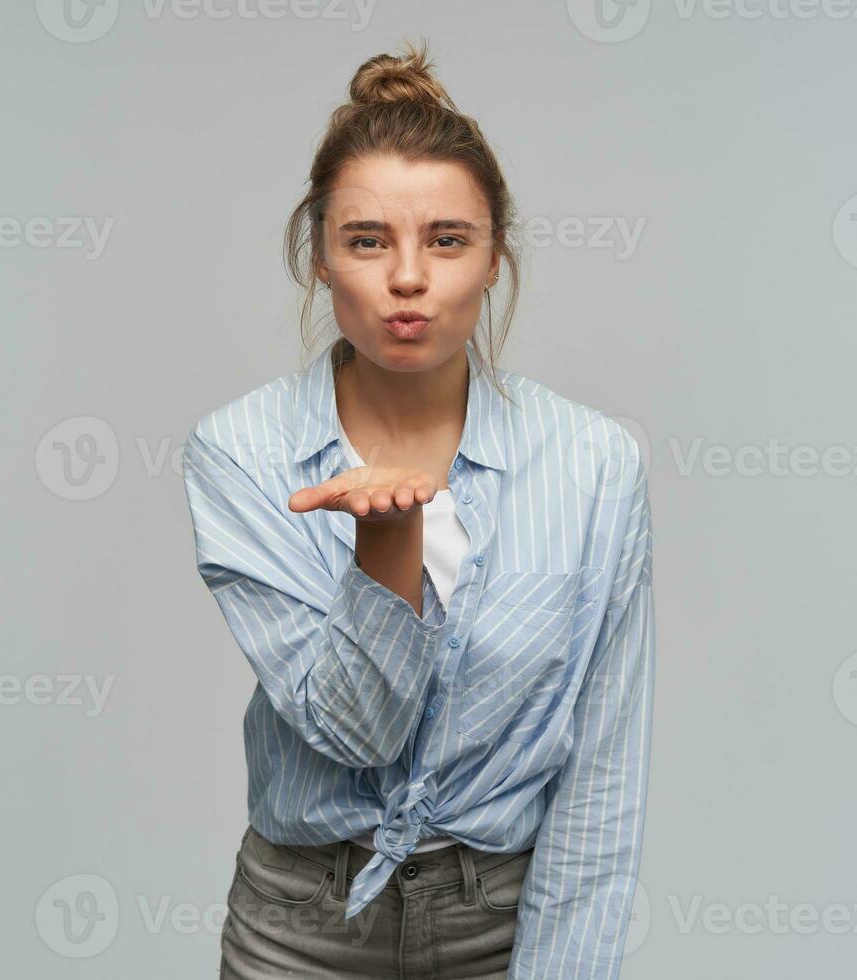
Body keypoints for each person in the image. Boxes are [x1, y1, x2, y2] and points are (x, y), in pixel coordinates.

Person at [182, 38, 655, 980]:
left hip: (503, 922)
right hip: (299, 928)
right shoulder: (239, 451)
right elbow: (355, 733)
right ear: (318, 256)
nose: (408, 277)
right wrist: (384, 547)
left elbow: (601, 774)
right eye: (368, 240)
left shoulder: (597, 463)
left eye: (447, 239)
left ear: (493, 258)